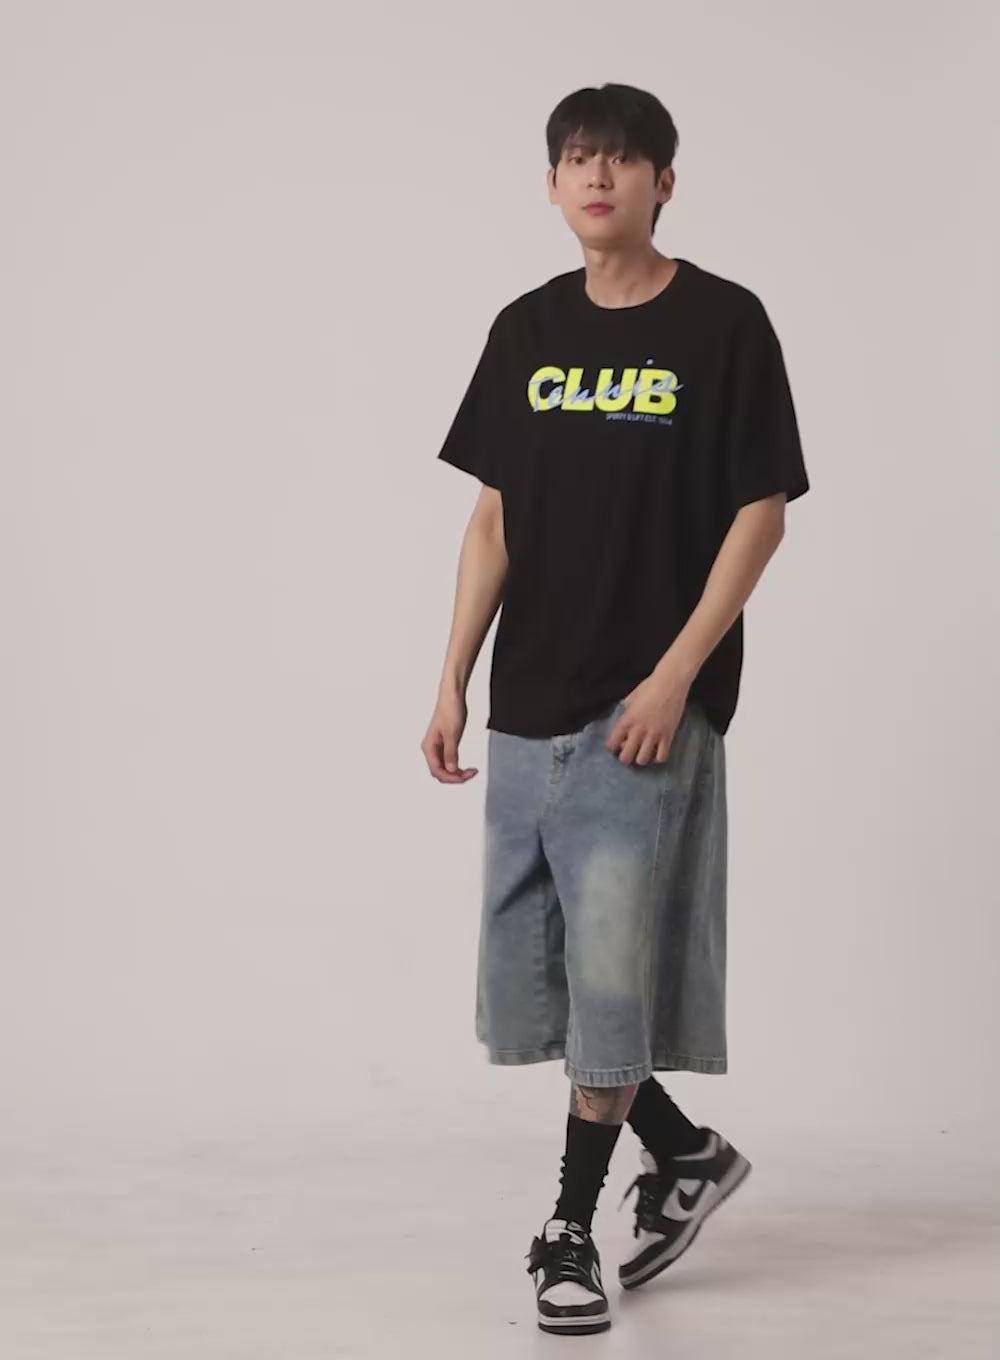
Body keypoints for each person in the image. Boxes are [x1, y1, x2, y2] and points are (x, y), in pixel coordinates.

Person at [421, 82, 810, 1337]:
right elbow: (493, 518)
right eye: (577, 159)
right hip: (526, 701)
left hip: (643, 710)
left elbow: (760, 512)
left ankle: (566, 1230)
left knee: (606, 975)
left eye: (622, 159)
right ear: (551, 185)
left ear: (662, 182)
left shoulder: (723, 323)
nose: (598, 177)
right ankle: (685, 1152)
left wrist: (676, 672)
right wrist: (452, 675)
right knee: (538, 989)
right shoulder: (525, 329)